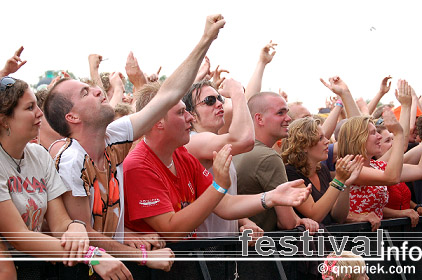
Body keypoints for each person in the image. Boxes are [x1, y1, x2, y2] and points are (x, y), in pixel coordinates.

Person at [43, 14, 232, 271]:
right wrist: (142, 256)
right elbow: (83, 232)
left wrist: (205, 39)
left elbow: (168, 94)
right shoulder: (72, 159)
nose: (98, 90)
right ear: (72, 117)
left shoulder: (113, 136)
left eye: (93, 87)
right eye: (85, 92)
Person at [124, 81, 310, 240]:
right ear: (158, 121)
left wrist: (271, 197)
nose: (189, 116)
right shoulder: (138, 165)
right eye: (181, 112)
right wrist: (219, 186)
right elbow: (172, 230)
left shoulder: (181, 155)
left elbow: (226, 205)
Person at [0, 77, 132, 279]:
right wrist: (93, 256)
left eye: (37, 105)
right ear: (4, 120)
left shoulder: (38, 155)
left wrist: (76, 226)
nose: (40, 113)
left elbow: (60, 223)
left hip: (34, 267)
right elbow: (19, 237)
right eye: (29, 108)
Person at [183, 78, 262, 240]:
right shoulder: (194, 141)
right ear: (192, 116)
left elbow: (220, 201)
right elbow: (245, 140)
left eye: (220, 98)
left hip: (224, 249)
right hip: (204, 252)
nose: (219, 104)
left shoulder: (215, 142)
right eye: (209, 101)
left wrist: (244, 221)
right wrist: (237, 92)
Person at [234, 92, 319, 232]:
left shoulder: (237, 149)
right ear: (259, 119)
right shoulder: (268, 157)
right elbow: (288, 222)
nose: (288, 118)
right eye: (280, 113)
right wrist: (302, 221)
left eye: (287, 112)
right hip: (260, 247)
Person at [282, 117, 364, 225]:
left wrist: (346, 184)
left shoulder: (321, 169)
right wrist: (338, 180)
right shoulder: (290, 172)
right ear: (304, 145)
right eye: (320, 138)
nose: (327, 141)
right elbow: (315, 216)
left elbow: (338, 217)